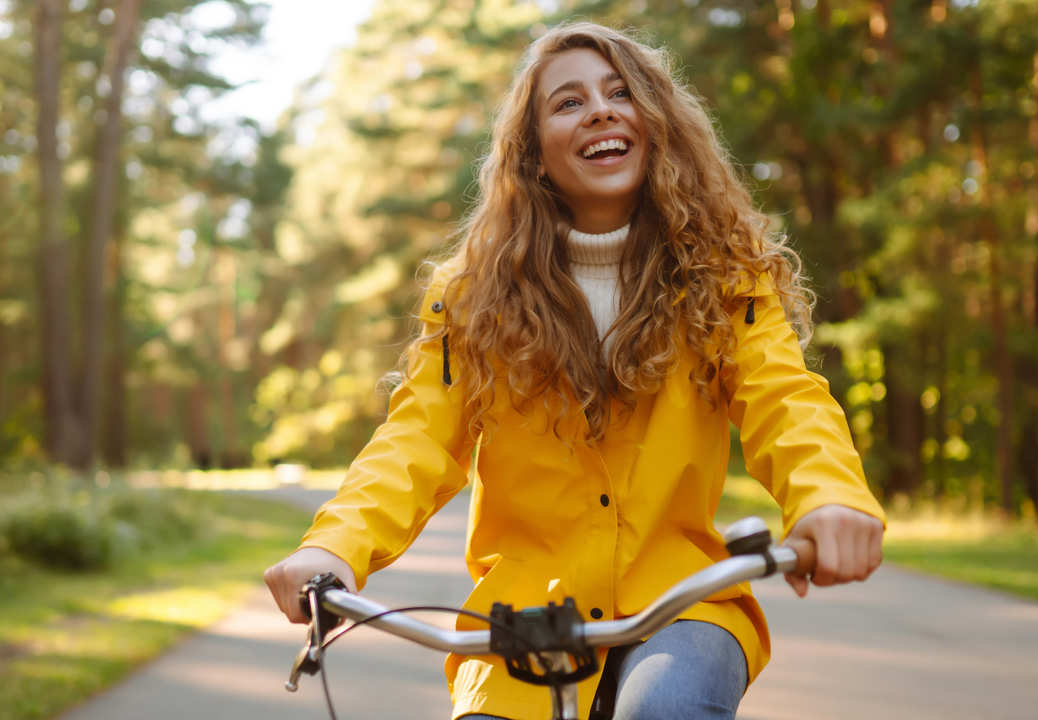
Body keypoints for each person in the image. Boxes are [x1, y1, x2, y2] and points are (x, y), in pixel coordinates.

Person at [264, 21, 886, 720]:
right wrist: (333, 547)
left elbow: (786, 399)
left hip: (683, 603)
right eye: (568, 102)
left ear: (656, 125)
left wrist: (830, 498)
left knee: (665, 711)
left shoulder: (727, 279)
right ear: (532, 156)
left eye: (621, 93)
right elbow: (415, 441)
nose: (600, 109)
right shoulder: (474, 301)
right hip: (521, 621)